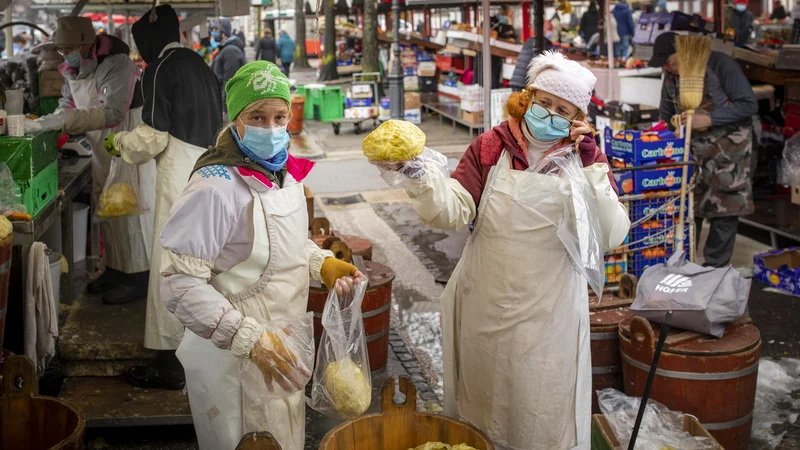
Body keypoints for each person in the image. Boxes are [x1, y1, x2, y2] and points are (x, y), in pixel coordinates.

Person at [370, 52, 630, 450]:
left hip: (550, 315)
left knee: (540, 411)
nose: (550, 114)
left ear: (578, 117)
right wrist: (423, 179)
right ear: (527, 99)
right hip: (486, 306)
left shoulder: (582, 159)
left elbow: (610, 235)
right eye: (544, 102)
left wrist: (595, 168)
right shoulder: (492, 145)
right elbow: (453, 211)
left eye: (564, 109)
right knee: (483, 404)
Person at [158, 61, 364, 450]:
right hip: (233, 364)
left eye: (279, 116)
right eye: (257, 116)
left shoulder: (282, 173)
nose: (271, 128)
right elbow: (179, 284)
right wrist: (250, 339)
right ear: (236, 120)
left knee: (283, 436)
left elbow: (278, 246)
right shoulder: (214, 187)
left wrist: (321, 264)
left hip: (282, 352)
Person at [101, 4, 223, 390]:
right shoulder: (201, 65)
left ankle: (169, 365)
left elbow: (152, 137)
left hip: (176, 177)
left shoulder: (160, 69)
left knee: (170, 268)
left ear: (150, 41)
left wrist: (119, 142)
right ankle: (202, 351)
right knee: (201, 265)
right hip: (207, 169)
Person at [26, 16, 156, 305]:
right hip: (101, 146)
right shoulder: (72, 69)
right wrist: (53, 121)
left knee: (130, 210)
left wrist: (64, 120)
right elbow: (67, 103)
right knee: (105, 206)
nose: (66, 53)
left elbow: (112, 114)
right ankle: (115, 269)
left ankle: (138, 277)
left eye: (71, 47)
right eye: (62, 48)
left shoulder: (117, 64)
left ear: (88, 42)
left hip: (126, 143)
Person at [650, 32, 757, 267]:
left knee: (724, 214)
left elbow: (748, 104)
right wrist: (664, 134)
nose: (667, 67)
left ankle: (714, 275)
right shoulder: (671, 75)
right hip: (693, 157)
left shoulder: (720, 64)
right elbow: (665, 116)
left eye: (668, 60)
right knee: (689, 212)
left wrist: (708, 119)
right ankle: (684, 270)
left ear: (682, 50)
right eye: (663, 65)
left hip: (729, 156)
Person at [212, 18, 246, 116]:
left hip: (229, 107)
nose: (213, 33)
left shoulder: (230, 51)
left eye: (216, 30)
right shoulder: (225, 49)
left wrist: (225, 109)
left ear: (224, 33)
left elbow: (230, 83)